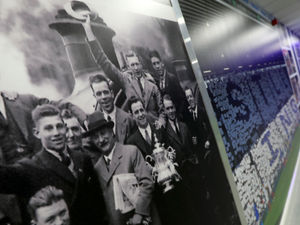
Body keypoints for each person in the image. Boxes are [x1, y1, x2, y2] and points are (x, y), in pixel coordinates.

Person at [0, 104, 107, 225]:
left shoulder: (82, 159)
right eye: (49, 128)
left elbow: (99, 205)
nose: (56, 133)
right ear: (37, 133)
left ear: (65, 128)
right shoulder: (29, 169)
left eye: (59, 126)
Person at [84, 111, 160, 225]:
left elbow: (147, 183)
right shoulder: (97, 168)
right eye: (95, 137)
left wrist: (139, 214)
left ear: (111, 132)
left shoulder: (130, 152)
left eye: (103, 133)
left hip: (144, 220)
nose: (101, 140)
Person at [82, 16, 164, 121]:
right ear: (129, 66)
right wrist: (88, 29)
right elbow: (103, 62)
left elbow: (162, 108)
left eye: (137, 64)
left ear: (141, 64)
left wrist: (161, 121)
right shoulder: (126, 80)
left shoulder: (152, 82)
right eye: (132, 65)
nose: (136, 68)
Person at [89, 74, 137, 143]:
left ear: (112, 94)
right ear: (95, 97)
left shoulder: (129, 120)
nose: (103, 97)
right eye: (99, 94)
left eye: (105, 92)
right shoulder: (94, 124)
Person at [149, 50, 189, 119]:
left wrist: (178, 115)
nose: (157, 66)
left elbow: (182, 99)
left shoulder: (172, 78)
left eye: (158, 63)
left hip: (180, 117)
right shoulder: (158, 82)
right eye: (154, 64)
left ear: (162, 63)